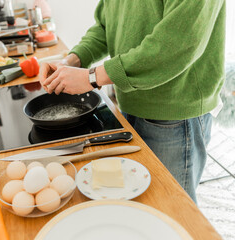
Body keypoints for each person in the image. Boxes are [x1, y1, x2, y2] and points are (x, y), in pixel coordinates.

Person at [39, 0, 226, 203]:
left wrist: (91, 77)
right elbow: (106, 25)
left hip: (175, 113)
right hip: (130, 102)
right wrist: (72, 60)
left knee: (173, 209)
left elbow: (175, 45)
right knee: (143, 202)